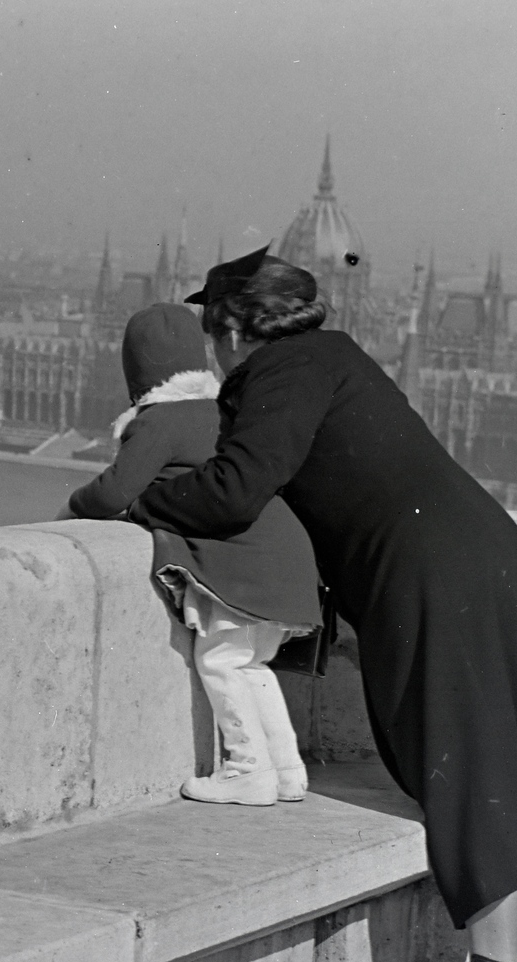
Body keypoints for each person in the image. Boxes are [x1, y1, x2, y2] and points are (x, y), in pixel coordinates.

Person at [128, 248, 517, 962]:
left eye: (215, 336)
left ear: (233, 328)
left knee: (475, 784)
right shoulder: (338, 356)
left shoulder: (279, 373)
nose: (215, 355)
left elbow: (233, 490)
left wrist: (137, 503)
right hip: (485, 553)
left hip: (432, 573)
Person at [64, 302, 322, 805]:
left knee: (222, 661)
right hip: (289, 558)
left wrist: (72, 505)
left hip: (249, 568)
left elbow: (113, 493)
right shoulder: (223, 411)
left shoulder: (159, 421)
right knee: (252, 666)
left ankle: (248, 769)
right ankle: (288, 772)